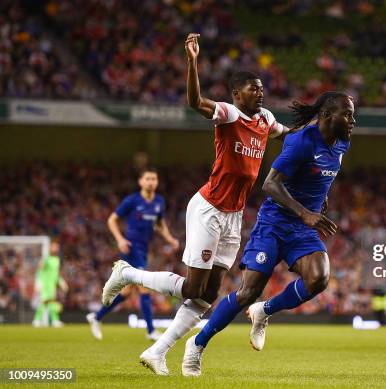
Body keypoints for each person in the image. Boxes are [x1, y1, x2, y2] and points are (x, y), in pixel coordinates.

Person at [100, 33, 292, 375]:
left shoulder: (264, 119)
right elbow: (195, 102)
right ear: (236, 94)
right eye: (253, 87)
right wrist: (191, 62)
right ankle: (126, 272)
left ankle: (158, 352)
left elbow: (287, 133)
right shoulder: (229, 114)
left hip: (234, 215)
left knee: (207, 295)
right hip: (209, 208)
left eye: (261, 87)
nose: (260, 92)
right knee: (192, 287)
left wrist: (317, 130)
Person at [181, 91, 355, 377]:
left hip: (302, 228)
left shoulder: (342, 142)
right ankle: (196, 345)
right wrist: (305, 212)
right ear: (326, 115)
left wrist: (319, 202)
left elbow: (320, 176)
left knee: (319, 279)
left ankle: (265, 311)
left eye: (352, 114)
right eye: (346, 114)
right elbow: (271, 184)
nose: (352, 120)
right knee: (247, 292)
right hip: (274, 223)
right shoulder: (301, 141)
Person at [87, 167, 179, 341]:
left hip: (143, 249)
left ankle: (97, 317)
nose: (151, 182)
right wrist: (120, 240)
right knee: (144, 286)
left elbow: (159, 223)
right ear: (141, 182)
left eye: (154, 179)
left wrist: (169, 238)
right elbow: (111, 220)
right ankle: (151, 330)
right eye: (148, 179)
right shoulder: (132, 200)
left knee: (128, 292)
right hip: (131, 248)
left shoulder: (159, 201)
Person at [32, 240, 68, 327]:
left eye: (57, 247)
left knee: (51, 303)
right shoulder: (46, 259)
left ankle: (54, 320)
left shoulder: (57, 260)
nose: (55, 249)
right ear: (50, 248)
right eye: (54, 247)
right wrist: (38, 282)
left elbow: (56, 274)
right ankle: (37, 320)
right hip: (45, 284)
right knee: (45, 302)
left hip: (52, 285)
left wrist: (61, 282)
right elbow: (39, 270)